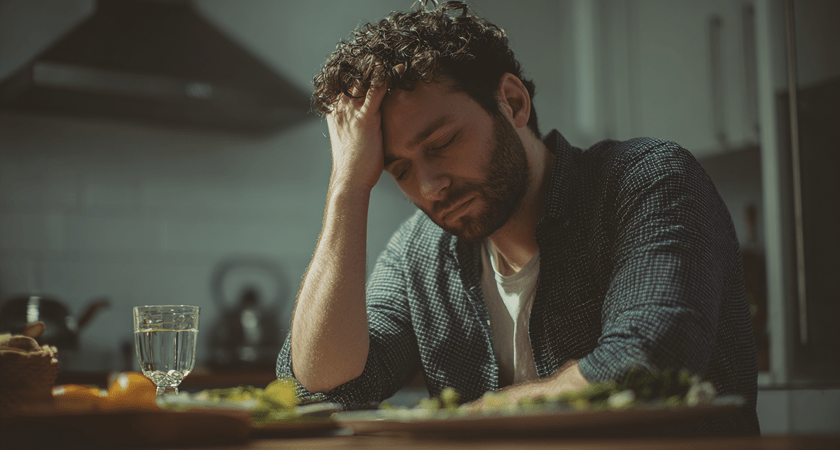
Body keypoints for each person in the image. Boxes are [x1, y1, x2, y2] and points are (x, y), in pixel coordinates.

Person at [276, 1, 759, 434]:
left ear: (512, 102)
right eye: (398, 169)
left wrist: (466, 417)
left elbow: (650, 358)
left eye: (442, 144)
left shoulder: (646, 179)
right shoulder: (416, 254)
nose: (428, 186)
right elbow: (322, 390)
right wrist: (347, 188)